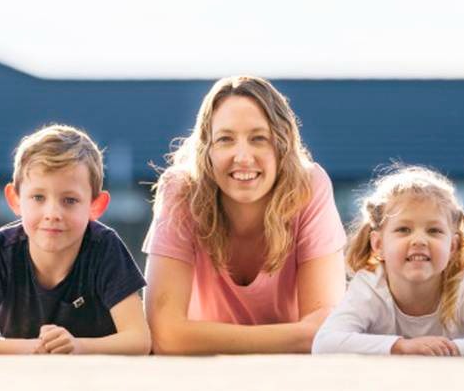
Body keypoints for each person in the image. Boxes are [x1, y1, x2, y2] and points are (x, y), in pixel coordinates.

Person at [142, 76, 346, 354]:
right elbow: (165, 335)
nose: (243, 156)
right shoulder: (180, 190)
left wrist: (197, 337)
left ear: (282, 146)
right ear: (207, 150)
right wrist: (299, 335)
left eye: (258, 139)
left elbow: (326, 331)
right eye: (225, 139)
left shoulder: (309, 187)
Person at [0, 124, 149, 354]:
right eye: (38, 197)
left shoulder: (105, 248)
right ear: (15, 200)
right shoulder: (3, 249)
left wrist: (78, 346)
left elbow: (139, 339)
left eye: (70, 200)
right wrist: (30, 348)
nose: (52, 214)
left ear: (95, 206)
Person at [312, 166, 464, 356]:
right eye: (403, 230)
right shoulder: (370, 285)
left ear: (452, 246)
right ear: (378, 245)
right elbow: (325, 342)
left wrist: (450, 350)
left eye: (434, 231)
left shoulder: (463, 284)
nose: (419, 240)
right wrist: (402, 347)